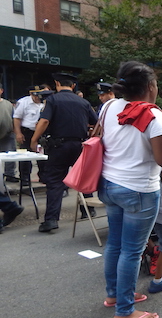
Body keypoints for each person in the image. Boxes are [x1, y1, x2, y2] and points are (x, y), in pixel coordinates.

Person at [99, 61, 162, 318]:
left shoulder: (108, 106)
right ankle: (124, 312)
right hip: (139, 190)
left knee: (115, 244)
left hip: (108, 185)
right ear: (151, 87)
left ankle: (115, 295)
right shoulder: (155, 117)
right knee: (132, 251)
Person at [31, 73, 98, 232]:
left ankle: (51, 220)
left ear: (56, 84)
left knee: (55, 182)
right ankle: (88, 209)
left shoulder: (53, 100)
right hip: (79, 145)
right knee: (82, 178)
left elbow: (45, 121)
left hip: (58, 146)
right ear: (73, 86)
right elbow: (96, 123)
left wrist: (34, 139)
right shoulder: (83, 102)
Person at [13, 86, 50, 183]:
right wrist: (18, 133)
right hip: (27, 132)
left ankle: (43, 176)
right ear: (31, 94)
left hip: (41, 132)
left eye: (39, 95)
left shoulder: (45, 102)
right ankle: (24, 177)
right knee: (25, 156)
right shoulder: (23, 102)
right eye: (35, 95)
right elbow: (17, 118)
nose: (37, 97)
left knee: (42, 155)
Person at [0, 84, 18, 182]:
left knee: (10, 155)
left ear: (1, 91)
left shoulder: (8, 104)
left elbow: (14, 118)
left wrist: (16, 131)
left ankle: (10, 174)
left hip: (7, 134)